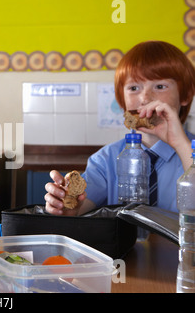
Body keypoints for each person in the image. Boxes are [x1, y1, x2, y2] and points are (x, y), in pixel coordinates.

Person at [44, 41, 195, 216]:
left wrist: (179, 143)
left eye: (160, 86)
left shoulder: (188, 149)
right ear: (122, 100)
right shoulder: (105, 160)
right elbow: (77, 209)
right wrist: (65, 204)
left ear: (185, 95)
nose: (145, 98)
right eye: (134, 88)